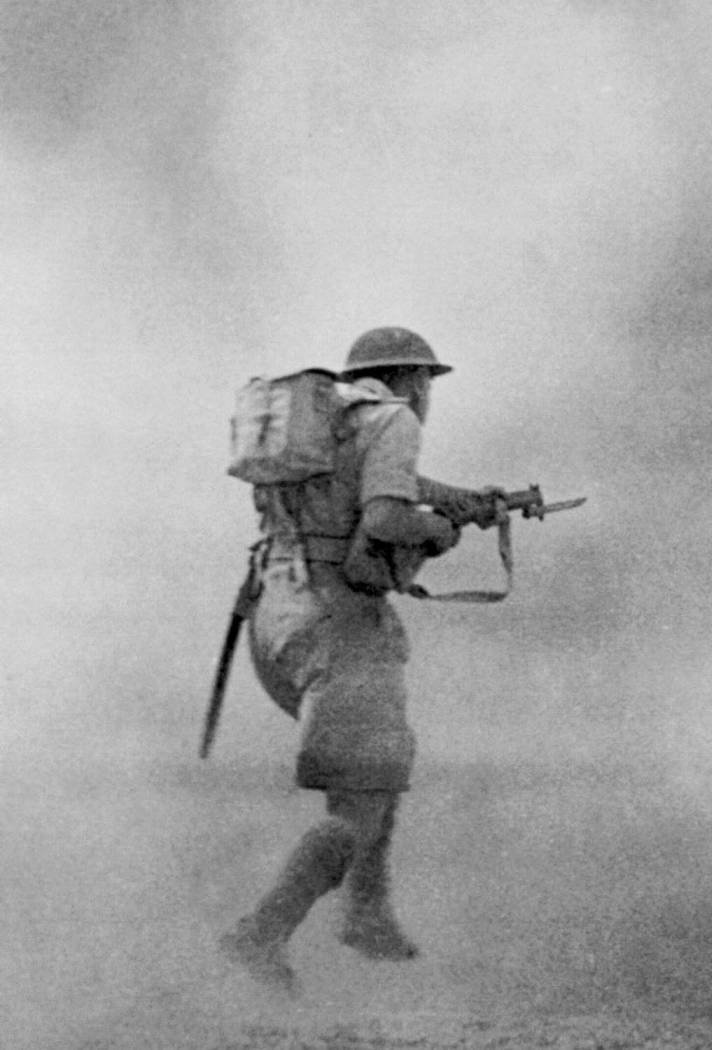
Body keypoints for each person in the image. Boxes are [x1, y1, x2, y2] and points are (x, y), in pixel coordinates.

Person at [219, 327, 501, 995]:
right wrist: (443, 531)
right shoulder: (394, 420)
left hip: (275, 618)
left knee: (376, 770)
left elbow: (371, 491)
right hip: (336, 622)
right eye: (428, 382)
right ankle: (262, 931)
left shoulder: (328, 422)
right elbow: (385, 521)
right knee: (358, 810)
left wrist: (465, 497)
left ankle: (367, 912)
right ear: (412, 380)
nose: (428, 396)